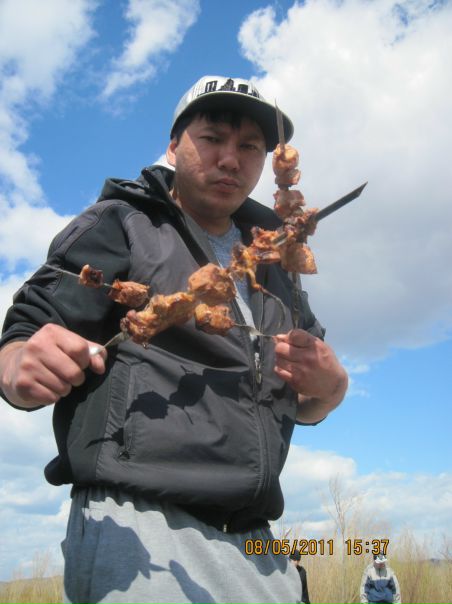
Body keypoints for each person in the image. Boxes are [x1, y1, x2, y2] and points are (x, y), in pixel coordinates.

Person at [0, 75, 348, 604]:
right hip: (143, 529)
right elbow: (27, 330)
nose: (230, 159)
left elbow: (304, 398)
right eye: (212, 138)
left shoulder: (275, 257)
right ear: (172, 146)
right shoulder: (121, 222)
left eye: (250, 147)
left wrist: (331, 389)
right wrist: (18, 364)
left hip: (258, 540)